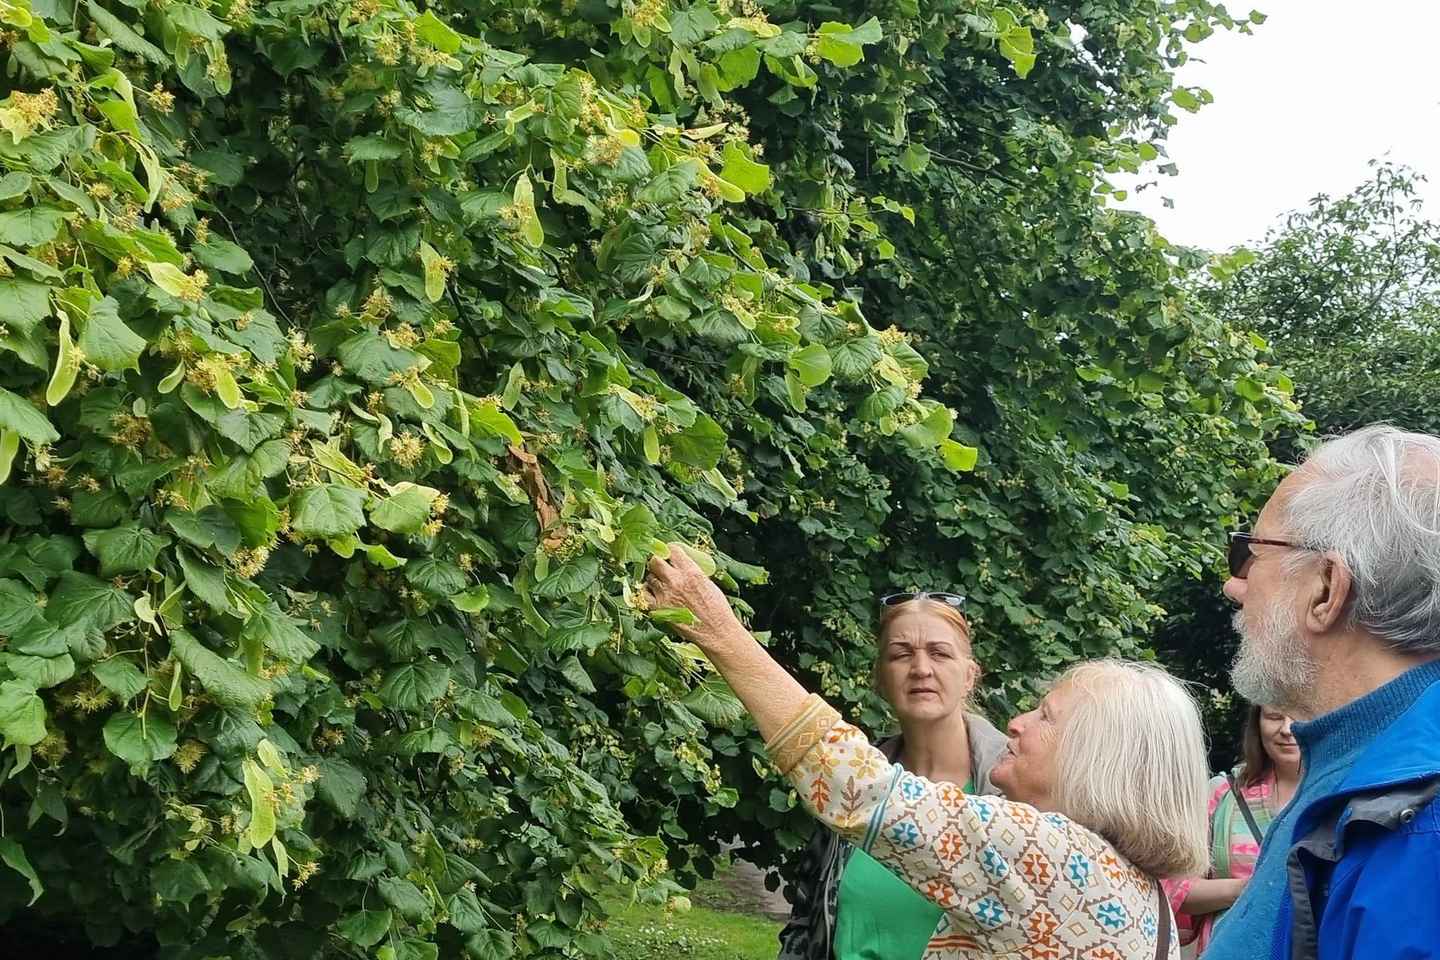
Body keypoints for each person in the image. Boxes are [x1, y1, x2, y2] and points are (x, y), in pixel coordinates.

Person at [645, 546, 1209, 958]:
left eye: (1046, 717)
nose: (1016, 722)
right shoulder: (1135, 891)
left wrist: (717, 628)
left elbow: (858, 787)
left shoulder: (1052, 855)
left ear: (1097, 759)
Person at [1203, 425, 1440, 960]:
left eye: (1251, 554)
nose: (1234, 586)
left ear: (1327, 589)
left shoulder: (1417, 823)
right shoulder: (1356, 768)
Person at [776, 592, 1008, 960]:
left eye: (939, 653)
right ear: (879, 678)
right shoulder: (851, 783)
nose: (921, 668)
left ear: (969, 675)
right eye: (902, 654)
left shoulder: (1011, 791)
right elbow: (806, 922)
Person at [1162, 705, 1300, 954]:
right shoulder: (1223, 794)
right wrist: (1246, 890)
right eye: (1274, 716)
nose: (1287, 729)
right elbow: (1174, 889)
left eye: (1300, 715)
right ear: (1257, 723)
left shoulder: (1346, 795)